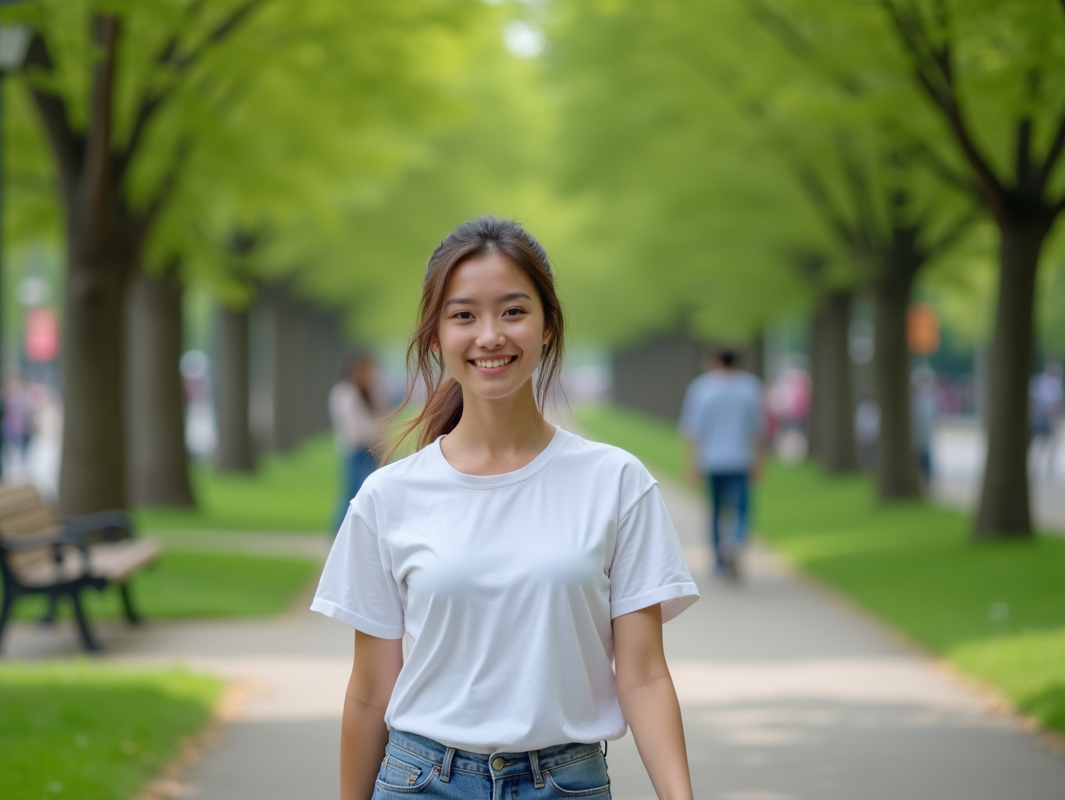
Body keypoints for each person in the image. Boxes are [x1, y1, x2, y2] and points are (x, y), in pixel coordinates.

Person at [311, 217, 699, 800]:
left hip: (567, 783)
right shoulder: (388, 497)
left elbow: (643, 675)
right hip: (421, 781)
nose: (490, 335)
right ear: (436, 335)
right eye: (464, 315)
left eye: (513, 311)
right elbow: (370, 690)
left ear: (547, 327)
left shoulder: (616, 482)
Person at [680, 350, 765, 580]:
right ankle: (735, 541)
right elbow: (758, 430)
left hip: (712, 460)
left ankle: (720, 560)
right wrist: (759, 461)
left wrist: (692, 464)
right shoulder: (751, 388)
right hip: (741, 459)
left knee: (716, 511)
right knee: (741, 509)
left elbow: (694, 430)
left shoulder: (701, 388)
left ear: (715, 361)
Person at [329, 351, 382, 531]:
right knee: (351, 493)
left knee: (368, 493)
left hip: (370, 449)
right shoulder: (345, 393)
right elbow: (355, 430)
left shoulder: (367, 392)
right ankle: (339, 531)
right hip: (356, 450)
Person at [1030, 361, 1064, 477]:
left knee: (1050, 443)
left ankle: (1048, 466)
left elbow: (1058, 402)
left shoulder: (1056, 384)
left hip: (1051, 417)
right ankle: (1037, 465)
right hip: (1041, 417)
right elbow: (1034, 400)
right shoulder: (1039, 382)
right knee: (1041, 441)